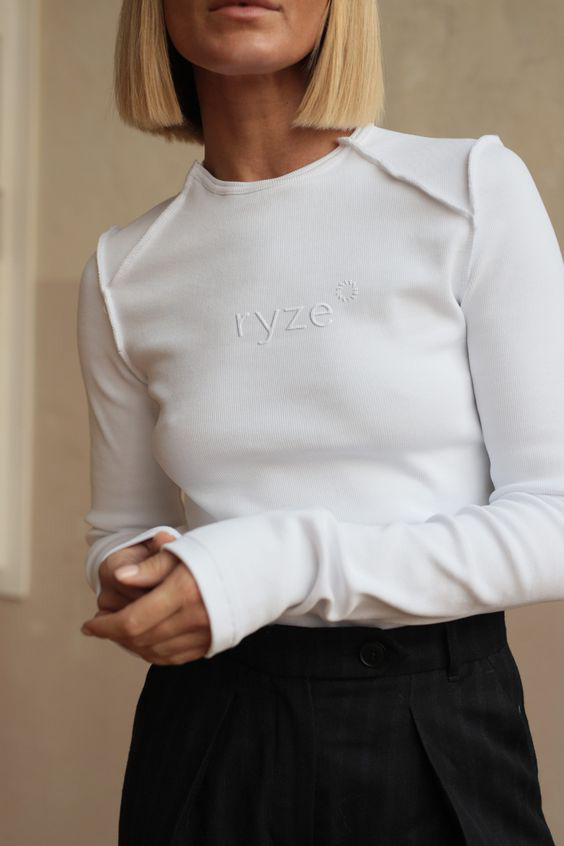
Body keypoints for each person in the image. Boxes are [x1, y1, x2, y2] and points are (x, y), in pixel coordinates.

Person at [76, 0, 563, 843]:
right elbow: (121, 529)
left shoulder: (468, 190)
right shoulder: (123, 270)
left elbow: (556, 522)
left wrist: (277, 561)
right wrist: (127, 570)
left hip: (434, 733)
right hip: (207, 734)